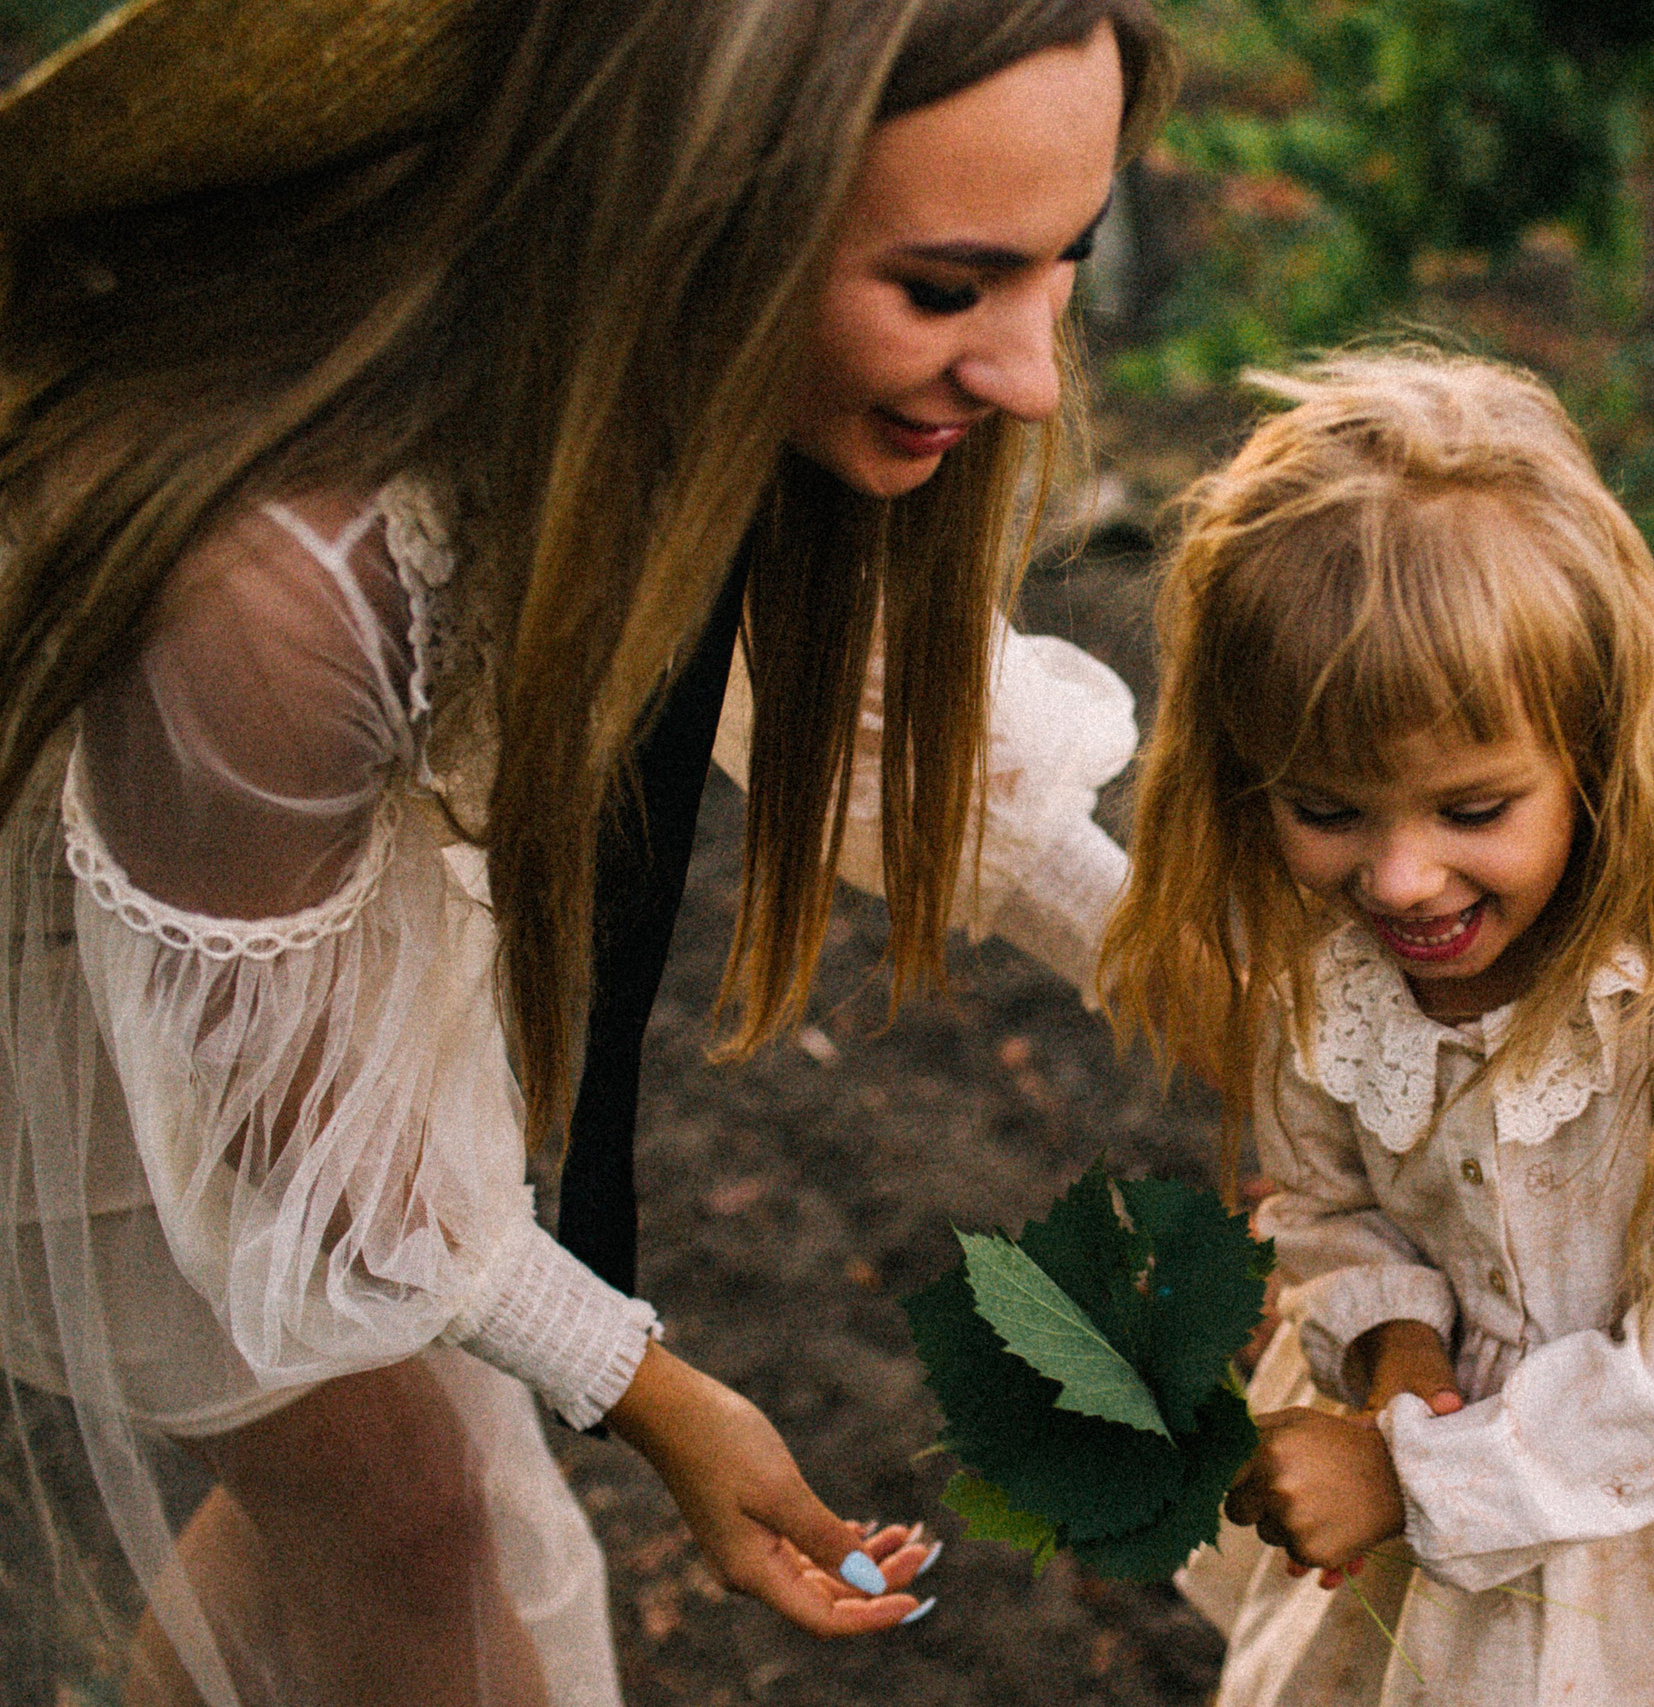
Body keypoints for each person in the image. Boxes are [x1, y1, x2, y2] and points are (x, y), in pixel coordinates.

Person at [0, 1, 1174, 1703]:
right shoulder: (283, 577)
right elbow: (284, 1109)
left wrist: (1192, 978)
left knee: (380, 1502)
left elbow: (834, 700)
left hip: (286, 905)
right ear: (699, 222)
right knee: (427, 1515)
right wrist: (644, 1385)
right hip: (103, 973)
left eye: (1060, 263)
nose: (1032, 375)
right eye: (944, 289)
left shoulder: (686, 364)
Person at [1100, 348, 1654, 1705]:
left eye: (1474, 811)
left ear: (1599, 750)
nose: (1400, 879)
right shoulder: (1322, 955)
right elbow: (1322, 1195)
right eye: (1328, 809)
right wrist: (1395, 1343)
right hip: (1419, 1506)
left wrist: (1407, 1477)